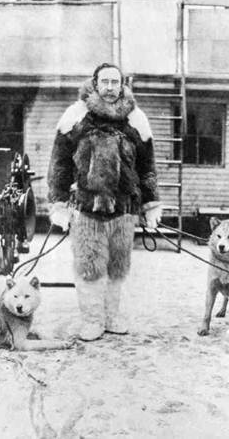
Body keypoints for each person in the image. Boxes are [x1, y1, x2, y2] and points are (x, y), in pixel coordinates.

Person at [47, 63, 161, 341]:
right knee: (89, 267)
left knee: (117, 267)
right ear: (95, 83)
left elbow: (147, 166)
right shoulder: (77, 115)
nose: (110, 87)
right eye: (105, 82)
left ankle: (111, 317)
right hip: (87, 210)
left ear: (123, 85)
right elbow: (59, 163)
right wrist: (59, 202)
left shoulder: (136, 119)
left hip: (124, 211)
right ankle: (92, 321)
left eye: (115, 82)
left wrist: (151, 204)